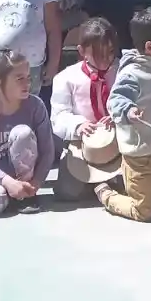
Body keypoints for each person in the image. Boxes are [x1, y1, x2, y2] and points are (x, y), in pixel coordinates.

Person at [100, 7, 151, 222]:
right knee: (144, 211)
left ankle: (147, 192)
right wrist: (128, 110)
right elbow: (116, 99)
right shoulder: (131, 73)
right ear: (149, 46)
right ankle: (106, 194)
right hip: (141, 157)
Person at [0, 49, 56, 217]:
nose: (27, 84)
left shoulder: (35, 105)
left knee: (22, 132)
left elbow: (47, 150)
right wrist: (7, 182)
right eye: (19, 79)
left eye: (28, 78)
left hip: (28, 177)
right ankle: (12, 193)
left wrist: (36, 183)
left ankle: (25, 195)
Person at [51, 17, 120, 204]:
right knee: (68, 193)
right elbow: (58, 117)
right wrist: (78, 125)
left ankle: (104, 183)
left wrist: (117, 117)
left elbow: (134, 101)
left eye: (111, 52)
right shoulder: (65, 78)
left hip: (116, 142)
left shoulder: (122, 72)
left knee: (128, 185)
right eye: (99, 54)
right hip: (81, 144)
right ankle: (99, 185)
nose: (106, 59)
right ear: (82, 52)